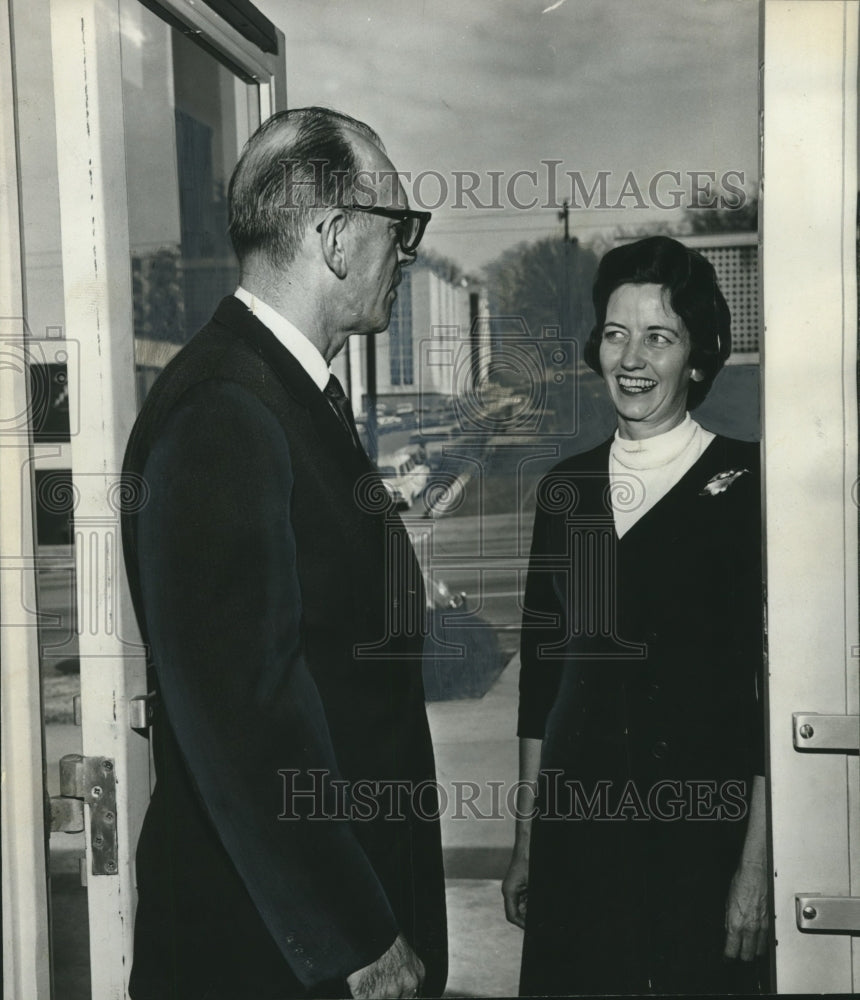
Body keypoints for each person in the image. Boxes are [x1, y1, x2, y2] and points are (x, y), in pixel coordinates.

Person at [121, 107, 445, 1000]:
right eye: (399, 226)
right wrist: (357, 938)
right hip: (271, 952)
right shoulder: (226, 410)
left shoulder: (280, 392)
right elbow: (245, 714)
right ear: (337, 236)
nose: (407, 251)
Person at [502, 235, 768, 995]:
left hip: (702, 849)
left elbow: (768, 694)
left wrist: (756, 865)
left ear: (698, 355)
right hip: (578, 846)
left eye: (659, 335)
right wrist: (528, 843)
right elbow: (540, 685)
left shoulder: (746, 485)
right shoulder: (566, 492)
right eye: (616, 333)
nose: (632, 357)